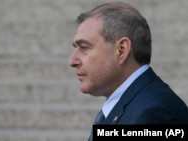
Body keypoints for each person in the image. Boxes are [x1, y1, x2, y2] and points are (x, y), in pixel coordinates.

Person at [68, 2, 188, 140]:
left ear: (121, 50)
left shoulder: (150, 114)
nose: (72, 61)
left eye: (84, 47)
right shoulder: (139, 103)